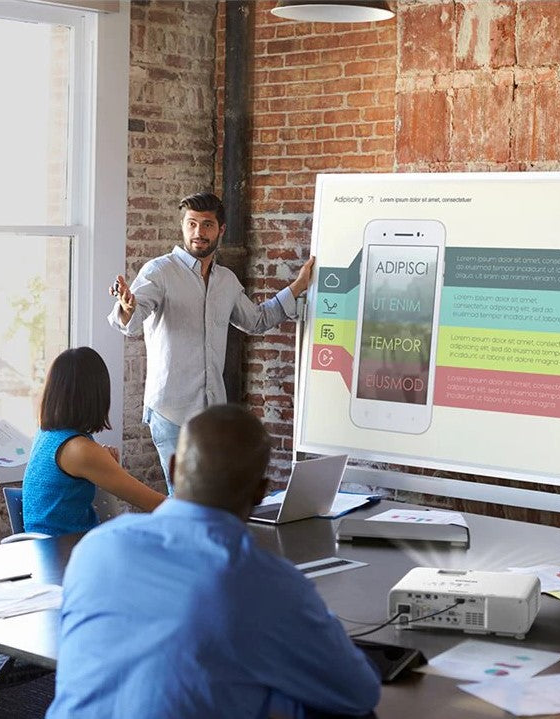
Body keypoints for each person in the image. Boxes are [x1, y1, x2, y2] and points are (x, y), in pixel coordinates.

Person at [47, 404, 381, 719]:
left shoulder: (97, 547)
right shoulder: (265, 583)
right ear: (260, 492)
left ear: (174, 468)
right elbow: (359, 692)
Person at [109, 192, 315, 493]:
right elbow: (133, 315)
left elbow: (256, 321)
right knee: (185, 497)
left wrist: (298, 286)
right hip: (172, 411)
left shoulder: (226, 281)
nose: (198, 232)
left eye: (207, 225)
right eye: (191, 224)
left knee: (213, 495)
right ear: (182, 226)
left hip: (212, 412)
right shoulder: (160, 271)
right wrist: (127, 308)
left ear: (221, 229)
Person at [23, 346, 165, 536]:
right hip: (64, 548)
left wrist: (105, 464)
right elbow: (153, 503)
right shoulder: (81, 449)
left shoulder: (46, 435)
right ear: (97, 394)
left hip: (40, 546)